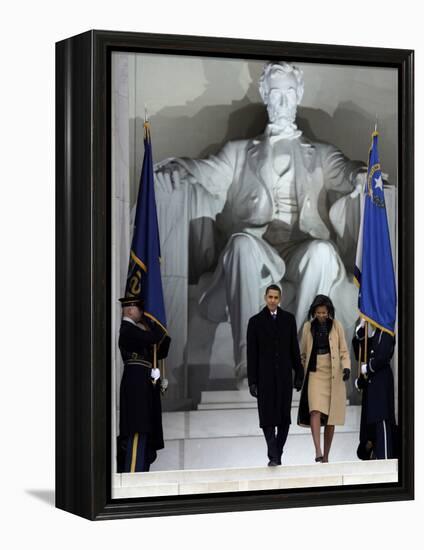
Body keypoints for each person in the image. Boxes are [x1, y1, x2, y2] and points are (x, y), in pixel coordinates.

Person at [155, 61, 367, 385]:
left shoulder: (320, 153)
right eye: (276, 94)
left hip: (301, 248)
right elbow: (208, 172)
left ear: (298, 96)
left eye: (289, 94)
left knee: (324, 252)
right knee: (239, 244)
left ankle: (297, 358)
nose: (282, 103)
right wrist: (180, 168)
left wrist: (364, 175)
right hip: (259, 247)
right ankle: (248, 363)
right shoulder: (240, 152)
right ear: (266, 96)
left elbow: (348, 170)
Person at [247, 284, 304, 466]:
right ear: (265, 298)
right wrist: (252, 381)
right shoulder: (255, 322)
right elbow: (251, 354)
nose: (272, 300)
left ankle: (277, 453)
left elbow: (294, 349)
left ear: (280, 299)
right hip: (264, 378)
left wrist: (299, 374)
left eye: (275, 298)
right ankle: (274, 455)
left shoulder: (288, 319)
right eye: (270, 297)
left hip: (284, 377)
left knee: (284, 419)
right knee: (267, 418)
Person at [117, 297, 171, 473]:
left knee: (145, 430)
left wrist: (157, 327)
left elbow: (161, 346)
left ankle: (140, 469)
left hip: (143, 385)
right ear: (131, 310)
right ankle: (134, 471)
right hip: (135, 385)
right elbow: (153, 337)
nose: (143, 315)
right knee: (137, 429)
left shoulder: (135, 331)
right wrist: (154, 321)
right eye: (142, 311)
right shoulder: (127, 330)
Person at [297, 295, 351, 463]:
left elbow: (343, 350)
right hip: (314, 372)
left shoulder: (336, 326)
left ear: (329, 312)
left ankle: (326, 456)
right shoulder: (307, 327)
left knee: (331, 418)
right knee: (315, 410)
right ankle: (318, 450)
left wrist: (347, 367)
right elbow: (303, 354)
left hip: (332, 372)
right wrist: (299, 374)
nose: (321, 315)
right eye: (318, 312)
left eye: (324, 313)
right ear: (314, 312)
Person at [352, 319, 396, 460]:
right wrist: (361, 332)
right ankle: (376, 456)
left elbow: (382, 357)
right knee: (371, 424)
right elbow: (362, 353)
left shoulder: (386, 331)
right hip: (372, 385)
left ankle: (385, 457)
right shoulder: (377, 333)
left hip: (381, 383)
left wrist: (369, 367)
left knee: (381, 419)